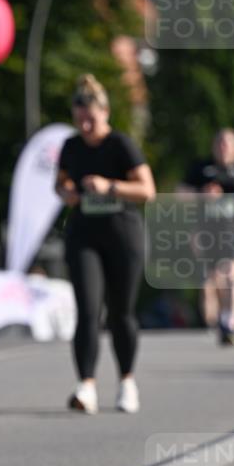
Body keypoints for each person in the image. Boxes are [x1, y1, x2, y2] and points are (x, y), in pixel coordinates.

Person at [54, 74, 155, 414]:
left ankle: (127, 381)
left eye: (91, 117)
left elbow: (147, 190)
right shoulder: (71, 146)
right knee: (87, 310)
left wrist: (109, 186)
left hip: (122, 234)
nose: (85, 123)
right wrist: (66, 191)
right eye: (79, 116)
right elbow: (61, 181)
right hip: (84, 234)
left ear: (105, 112)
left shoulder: (120, 144)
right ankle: (86, 386)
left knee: (121, 313)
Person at [181, 128, 234, 346]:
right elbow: (181, 193)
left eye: (228, 143)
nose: (223, 147)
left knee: (232, 273)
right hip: (206, 231)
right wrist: (201, 196)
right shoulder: (201, 168)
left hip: (233, 230)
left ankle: (231, 323)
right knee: (213, 279)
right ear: (214, 146)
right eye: (220, 143)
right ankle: (217, 320)